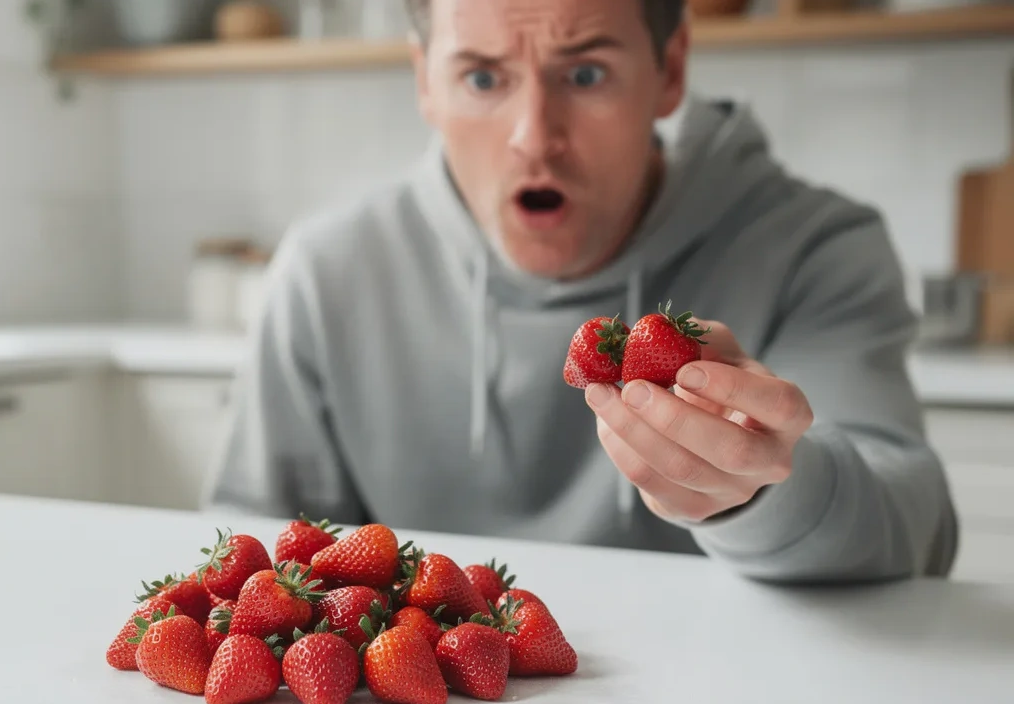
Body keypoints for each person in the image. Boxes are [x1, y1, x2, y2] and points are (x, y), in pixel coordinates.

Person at [201, 0, 958, 583]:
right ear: (424, 81)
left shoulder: (814, 249)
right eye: (483, 77)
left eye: (586, 74)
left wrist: (760, 490)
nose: (535, 134)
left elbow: (917, 531)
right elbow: (257, 560)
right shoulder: (325, 272)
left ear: (670, 70)